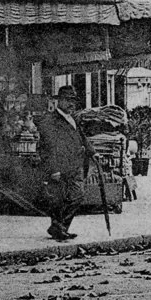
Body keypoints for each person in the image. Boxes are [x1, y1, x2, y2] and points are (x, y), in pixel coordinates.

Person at [36, 85, 93, 241]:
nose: (71, 104)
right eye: (67, 100)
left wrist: (93, 152)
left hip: (75, 164)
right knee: (59, 199)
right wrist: (53, 169)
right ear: (59, 101)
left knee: (78, 196)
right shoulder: (49, 120)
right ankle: (60, 228)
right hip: (60, 166)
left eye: (73, 100)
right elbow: (47, 147)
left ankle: (59, 227)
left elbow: (81, 137)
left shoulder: (73, 118)